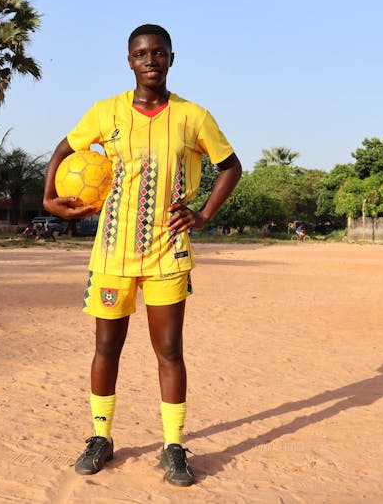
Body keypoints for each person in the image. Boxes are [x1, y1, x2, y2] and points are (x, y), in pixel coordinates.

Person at [42, 24, 242, 487]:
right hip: (113, 249)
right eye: (140, 54)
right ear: (129, 61)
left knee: (169, 350)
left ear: (172, 58)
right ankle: (100, 437)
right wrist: (49, 198)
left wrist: (205, 214)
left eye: (158, 52)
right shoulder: (106, 112)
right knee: (106, 348)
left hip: (168, 250)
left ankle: (173, 446)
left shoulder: (193, 116)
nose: (149, 60)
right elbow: (64, 147)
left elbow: (230, 165)